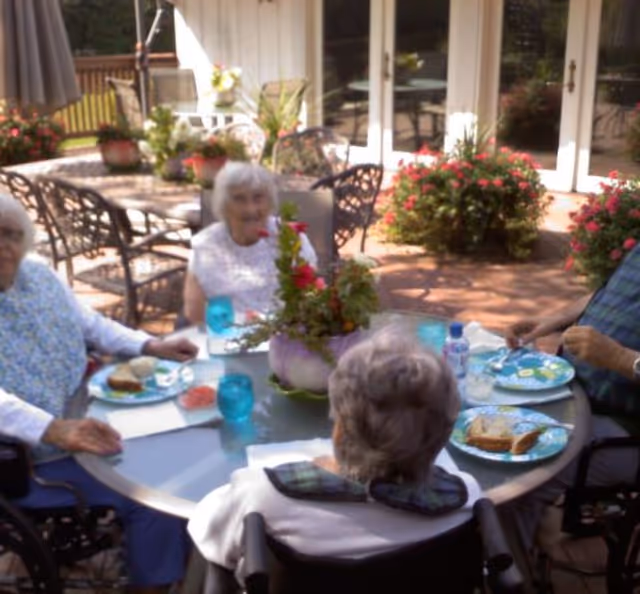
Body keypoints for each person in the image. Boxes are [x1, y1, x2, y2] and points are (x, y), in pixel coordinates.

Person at [0, 193, 199, 594]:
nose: (4, 246)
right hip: (33, 461)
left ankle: (184, 559)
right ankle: (155, 585)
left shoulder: (38, 273)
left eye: (12, 235)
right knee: (156, 493)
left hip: (89, 414)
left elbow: (91, 325)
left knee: (181, 438)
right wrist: (52, 429)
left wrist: (148, 345)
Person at [187, 330, 480, 581]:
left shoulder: (264, 497)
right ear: (443, 434)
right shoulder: (466, 498)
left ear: (340, 429)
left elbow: (206, 530)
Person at [502, 242, 640, 580]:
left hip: (626, 432)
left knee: (515, 476)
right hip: (581, 400)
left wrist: (621, 359)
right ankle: (529, 540)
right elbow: (607, 296)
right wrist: (547, 324)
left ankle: (514, 579)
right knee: (495, 414)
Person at [183, 161, 317, 324]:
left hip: (286, 336)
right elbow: (194, 312)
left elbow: (311, 299)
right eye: (239, 199)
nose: (250, 209)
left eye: (258, 198)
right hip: (225, 339)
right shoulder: (206, 245)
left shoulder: (290, 238)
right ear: (224, 205)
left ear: (269, 202)